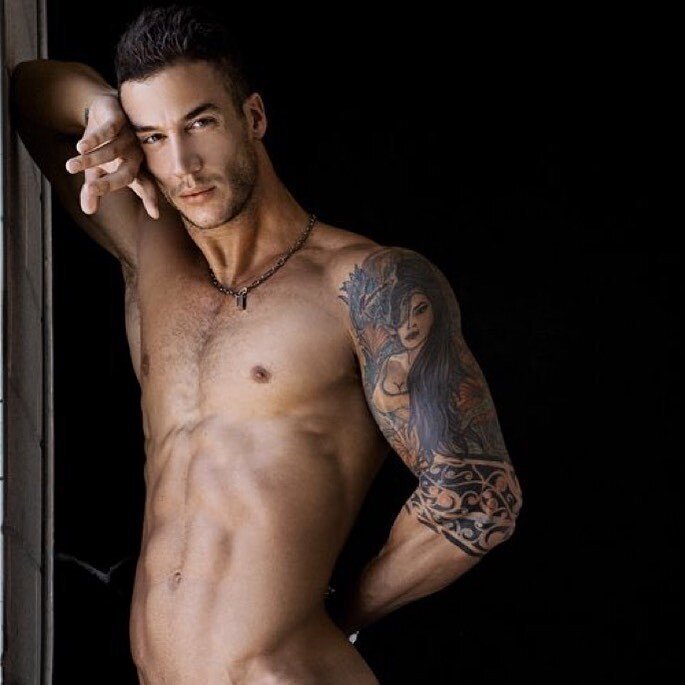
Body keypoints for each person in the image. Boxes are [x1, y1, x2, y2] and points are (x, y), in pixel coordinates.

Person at [10, 4, 523, 683]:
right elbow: (29, 91)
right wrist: (103, 112)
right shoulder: (152, 251)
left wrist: (333, 616)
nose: (182, 163)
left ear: (252, 117)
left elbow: (479, 499)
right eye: (154, 136)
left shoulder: (364, 283)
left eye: (200, 123)